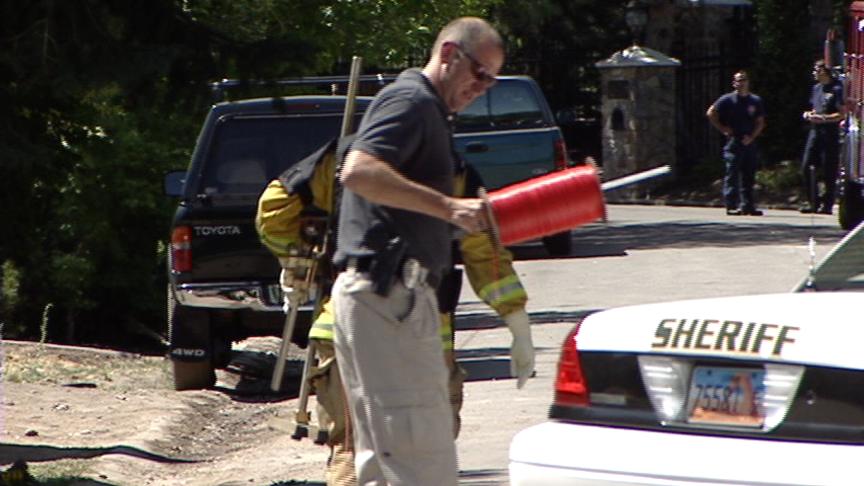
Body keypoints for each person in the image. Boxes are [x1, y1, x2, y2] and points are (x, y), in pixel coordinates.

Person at [331, 17, 532, 485]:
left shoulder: (427, 111)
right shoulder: (412, 102)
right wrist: (447, 207)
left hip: (378, 297)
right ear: (448, 54)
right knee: (420, 456)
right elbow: (358, 171)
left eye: (492, 81)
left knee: (385, 458)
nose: (483, 87)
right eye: (479, 73)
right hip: (389, 297)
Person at [306, 160, 531, 485]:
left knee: (355, 453)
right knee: (419, 458)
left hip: (343, 329)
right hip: (421, 343)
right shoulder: (453, 168)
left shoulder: (340, 157)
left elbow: (276, 207)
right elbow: (485, 253)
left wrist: (296, 259)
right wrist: (515, 319)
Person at [706, 70, 766, 216]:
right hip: (734, 140)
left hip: (749, 141)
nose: (741, 83)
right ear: (734, 83)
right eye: (738, 80)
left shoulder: (755, 101)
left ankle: (748, 205)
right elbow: (711, 112)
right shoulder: (727, 100)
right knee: (732, 173)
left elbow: (760, 122)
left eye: (744, 80)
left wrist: (752, 137)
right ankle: (731, 205)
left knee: (749, 174)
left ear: (748, 82)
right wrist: (723, 128)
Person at [800, 59, 845, 214]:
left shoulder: (836, 89)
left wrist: (825, 118)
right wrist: (810, 114)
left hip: (830, 132)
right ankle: (813, 201)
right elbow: (815, 107)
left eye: (817, 70)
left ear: (825, 72)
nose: (814, 73)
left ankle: (827, 203)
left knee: (828, 168)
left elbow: (841, 113)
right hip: (815, 131)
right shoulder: (816, 88)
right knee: (807, 166)